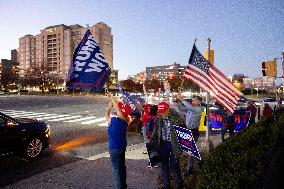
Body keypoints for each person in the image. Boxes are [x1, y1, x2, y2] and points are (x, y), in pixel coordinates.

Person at [150, 101, 185, 189]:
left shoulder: (176, 116)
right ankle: (166, 185)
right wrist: (153, 137)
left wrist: (185, 146)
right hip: (163, 143)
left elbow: (183, 130)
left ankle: (179, 184)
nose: (161, 114)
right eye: (160, 112)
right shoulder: (159, 116)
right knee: (164, 165)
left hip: (174, 144)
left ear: (168, 109)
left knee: (174, 165)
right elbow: (156, 127)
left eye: (163, 112)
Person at [106, 93, 131, 189]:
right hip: (121, 147)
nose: (118, 111)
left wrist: (112, 99)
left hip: (114, 149)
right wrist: (109, 107)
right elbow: (108, 117)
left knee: (116, 170)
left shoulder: (119, 119)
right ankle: (123, 186)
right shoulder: (125, 121)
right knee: (121, 168)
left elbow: (116, 110)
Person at [176, 95, 203, 175]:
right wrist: (178, 103)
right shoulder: (190, 109)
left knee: (190, 150)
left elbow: (189, 107)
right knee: (191, 150)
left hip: (194, 132)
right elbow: (181, 110)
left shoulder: (199, 109)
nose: (192, 101)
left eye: (194, 100)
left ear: (199, 102)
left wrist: (182, 99)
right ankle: (199, 162)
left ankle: (189, 169)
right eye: (192, 99)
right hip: (188, 131)